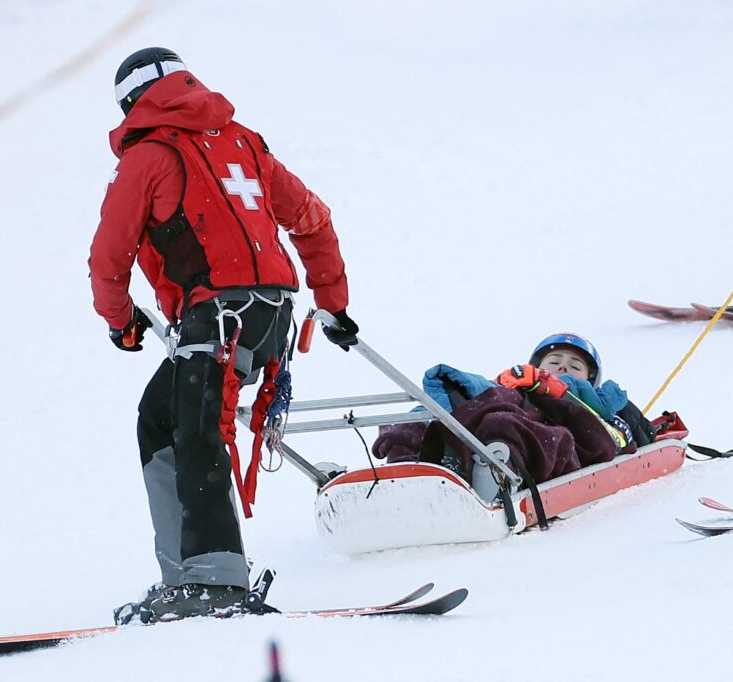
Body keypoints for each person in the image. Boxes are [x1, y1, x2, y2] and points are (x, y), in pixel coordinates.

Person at [89, 47, 357, 622]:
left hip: (216, 317)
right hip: (272, 318)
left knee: (198, 430)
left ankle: (215, 582)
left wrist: (120, 321)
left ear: (130, 102)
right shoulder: (243, 142)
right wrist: (331, 303)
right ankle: (184, 578)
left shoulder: (148, 156)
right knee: (161, 417)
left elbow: (108, 255)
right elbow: (312, 218)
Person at [372, 333, 656, 495]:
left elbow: (622, 437)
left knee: (504, 423)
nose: (564, 368)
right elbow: (487, 392)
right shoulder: (518, 388)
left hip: (557, 436)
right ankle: (407, 472)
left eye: (575, 366)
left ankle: (497, 476)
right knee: (433, 417)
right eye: (555, 361)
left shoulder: (600, 405)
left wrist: (563, 396)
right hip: (503, 424)